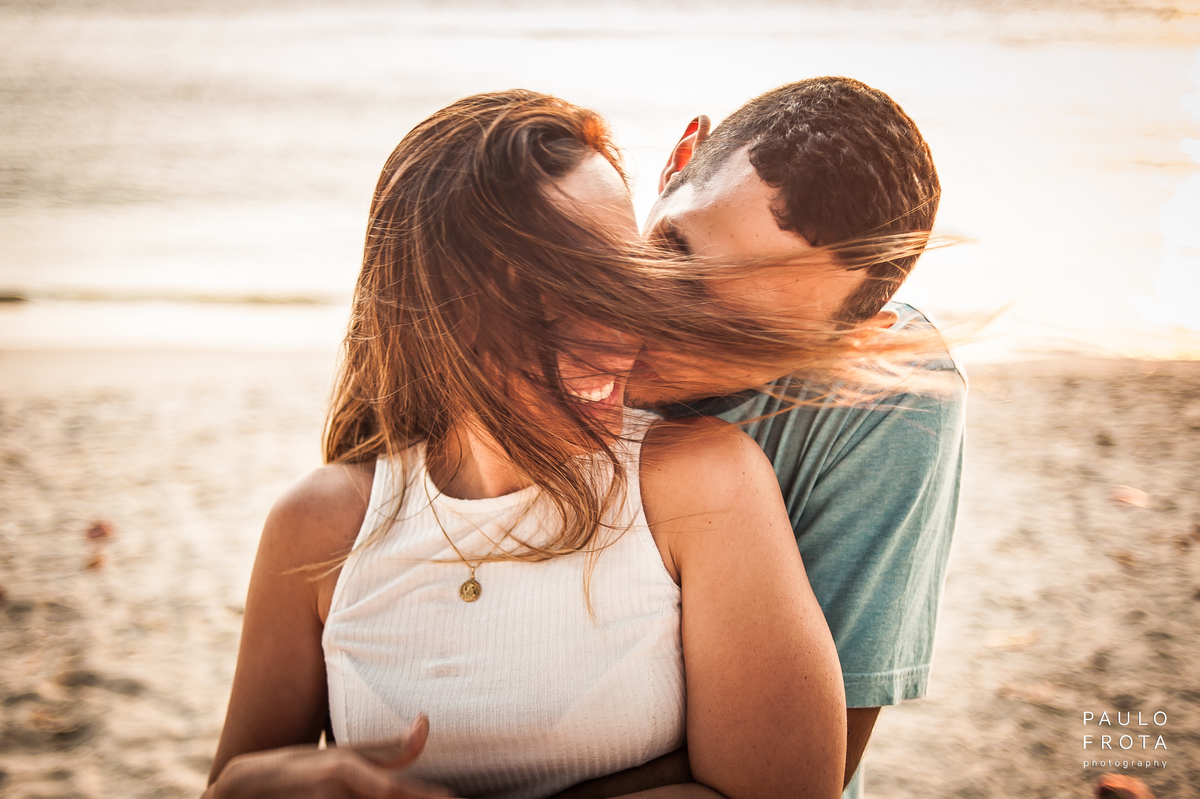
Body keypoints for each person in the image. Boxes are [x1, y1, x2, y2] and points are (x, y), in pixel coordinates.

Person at [203, 89, 870, 799]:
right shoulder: (318, 527)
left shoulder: (702, 482)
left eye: (621, 279)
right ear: (440, 316)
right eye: (559, 297)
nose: (620, 332)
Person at [569, 77, 965, 799]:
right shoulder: (529, 280)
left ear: (849, 344)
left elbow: (803, 763)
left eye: (742, 334)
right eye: (677, 252)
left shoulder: (887, 399)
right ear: (679, 160)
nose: (668, 325)